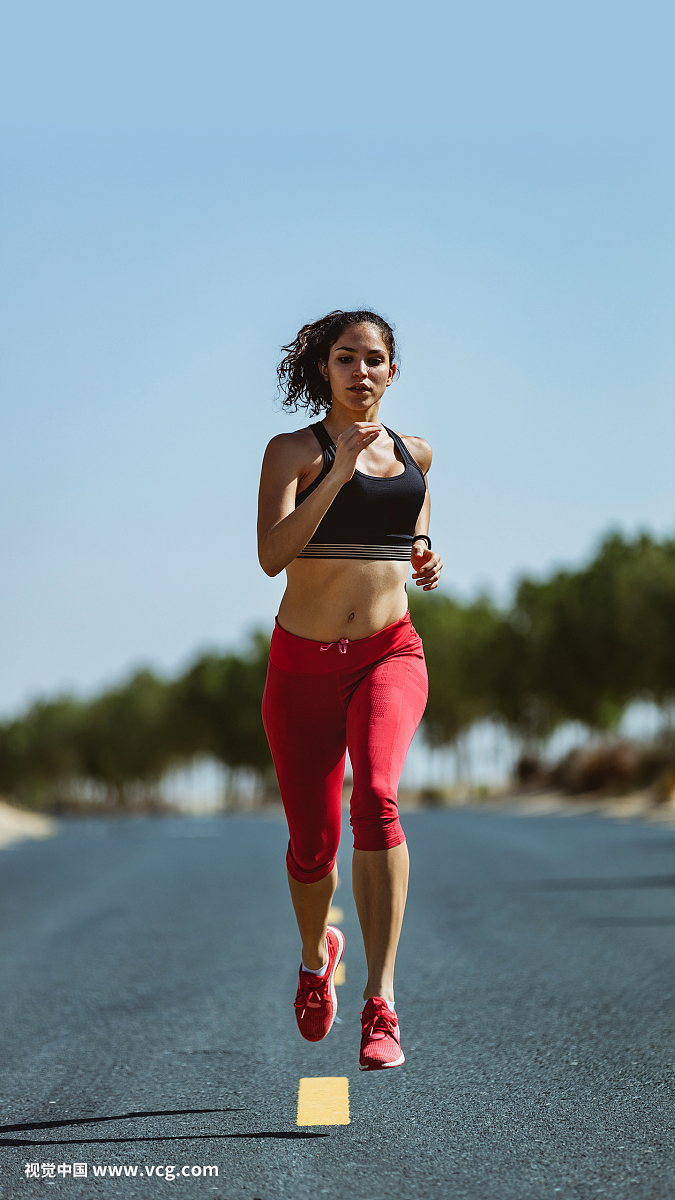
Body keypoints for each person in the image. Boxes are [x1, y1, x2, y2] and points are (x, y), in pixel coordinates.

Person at [257, 309, 443, 1070]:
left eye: (373, 360)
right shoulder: (291, 452)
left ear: (391, 372)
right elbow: (271, 555)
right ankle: (315, 957)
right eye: (345, 359)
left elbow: (414, 517)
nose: (359, 372)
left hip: (386, 654)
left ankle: (381, 1002)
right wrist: (333, 472)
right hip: (300, 668)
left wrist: (425, 554)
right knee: (312, 846)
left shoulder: (416, 453)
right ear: (323, 370)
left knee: (377, 796)